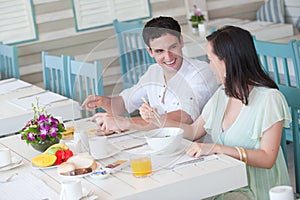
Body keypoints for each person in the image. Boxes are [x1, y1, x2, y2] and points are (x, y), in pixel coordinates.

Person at [139, 26, 292, 200]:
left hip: (257, 191)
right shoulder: (222, 94)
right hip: (226, 183)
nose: (210, 67)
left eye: (211, 60)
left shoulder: (270, 99)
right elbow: (194, 131)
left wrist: (217, 148)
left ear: (227, 61)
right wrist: (159, 120)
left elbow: (267, 159)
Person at [82, 16, 218, 132]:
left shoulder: (200, 73)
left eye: (172, 47)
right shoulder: (154, 72)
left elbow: (185, 117)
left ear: (181, 41)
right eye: (160, 51)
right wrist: (104, 101)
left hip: (196, 149)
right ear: (150, 51)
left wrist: (126, 122)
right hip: (162, 143)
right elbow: (124, 103)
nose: (168, 57)